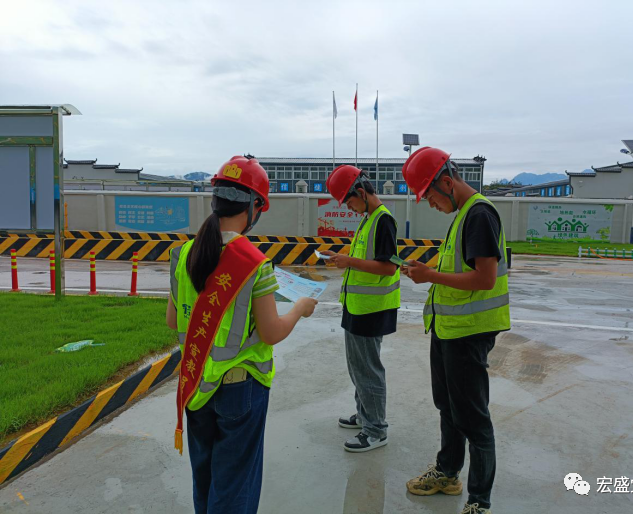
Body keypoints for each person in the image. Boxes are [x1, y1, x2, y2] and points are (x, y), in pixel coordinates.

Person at [166, 155, 317, 514]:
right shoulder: (255, 264)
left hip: (196, 385)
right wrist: (299, 308)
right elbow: (271, 332)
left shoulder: (183, 254)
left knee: (205, 481)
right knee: (234, 488)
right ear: (254, 208)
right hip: (240, 390)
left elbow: (174, 320)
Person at [400, 147, 510, 515]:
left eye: (429, 196)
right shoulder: (463, 214)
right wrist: (427, 271)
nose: (429, 204)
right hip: (449, 329)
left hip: (469, 332)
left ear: (447, 183)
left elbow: (485, 278)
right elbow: (460, 269)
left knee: (473, 418)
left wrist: (429, 275)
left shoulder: (479, 214)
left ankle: (479, 500)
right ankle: (447, 473)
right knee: (448, 407)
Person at [320, 165, 400, 452]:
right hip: (357, 306)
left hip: (371, 309)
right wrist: (340, 257)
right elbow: (367, 260)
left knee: (368, 371)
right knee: (358, 368)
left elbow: (389, 267)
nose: (348, 207)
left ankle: (376, 429)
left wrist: (349, 261)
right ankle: (365, 415)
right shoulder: (369, 219)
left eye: (348, 200)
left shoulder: (383, 220)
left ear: (361, 193)